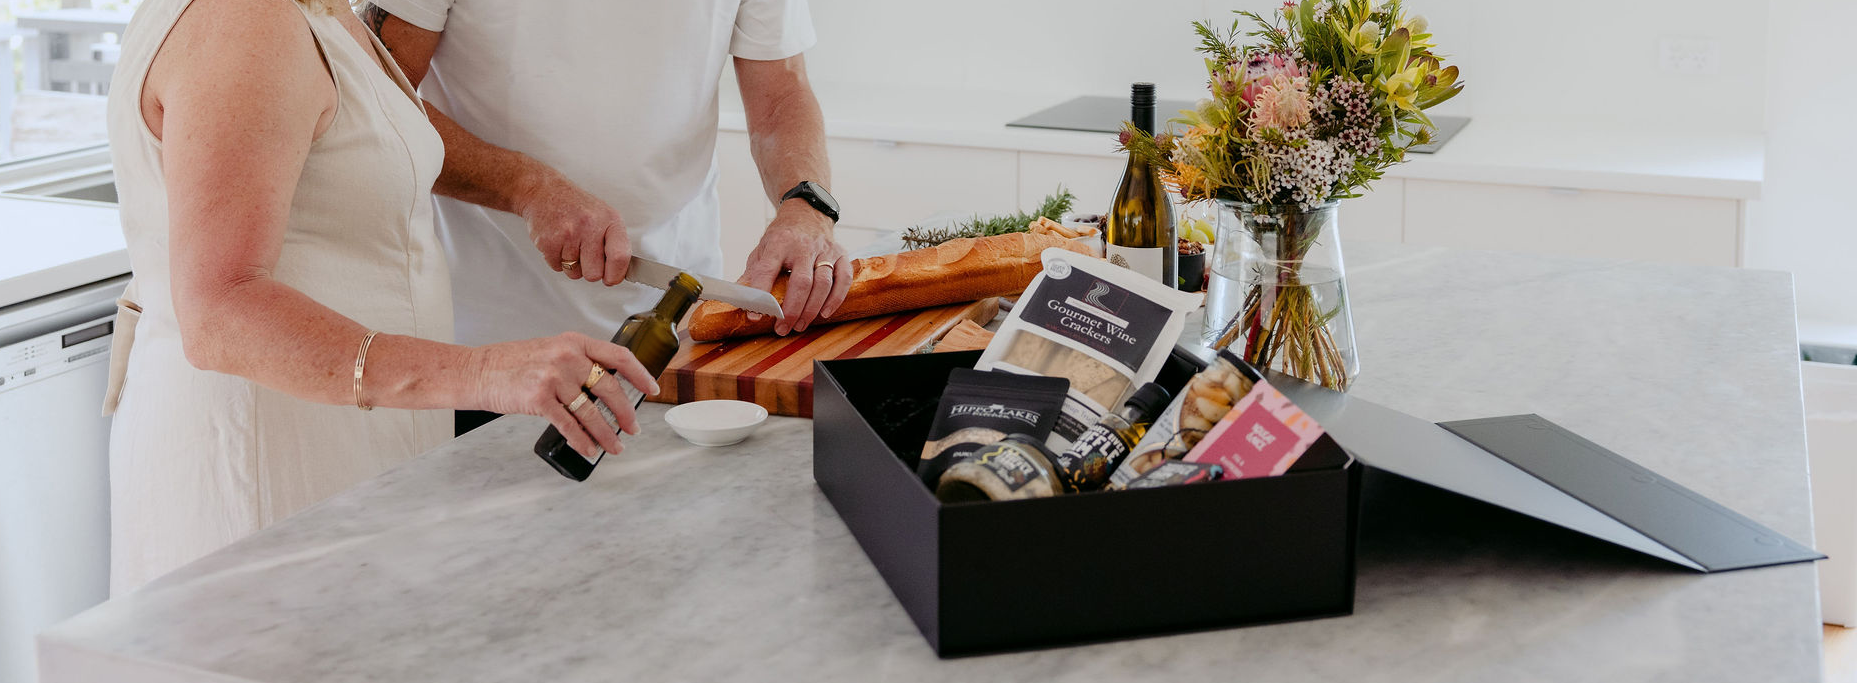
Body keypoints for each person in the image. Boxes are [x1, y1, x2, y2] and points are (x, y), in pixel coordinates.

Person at [102, 0, 656, 595]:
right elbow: (221, 312)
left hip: (342, 454)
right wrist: (485, 371)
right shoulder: (245, 18)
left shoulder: (319, 13)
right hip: (267, 474)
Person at [357, 0, 847, 435]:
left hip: (680, 346)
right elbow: (374, 96)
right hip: (489, 353)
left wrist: (806, 205)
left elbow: (783, 91)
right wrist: (527, 187)